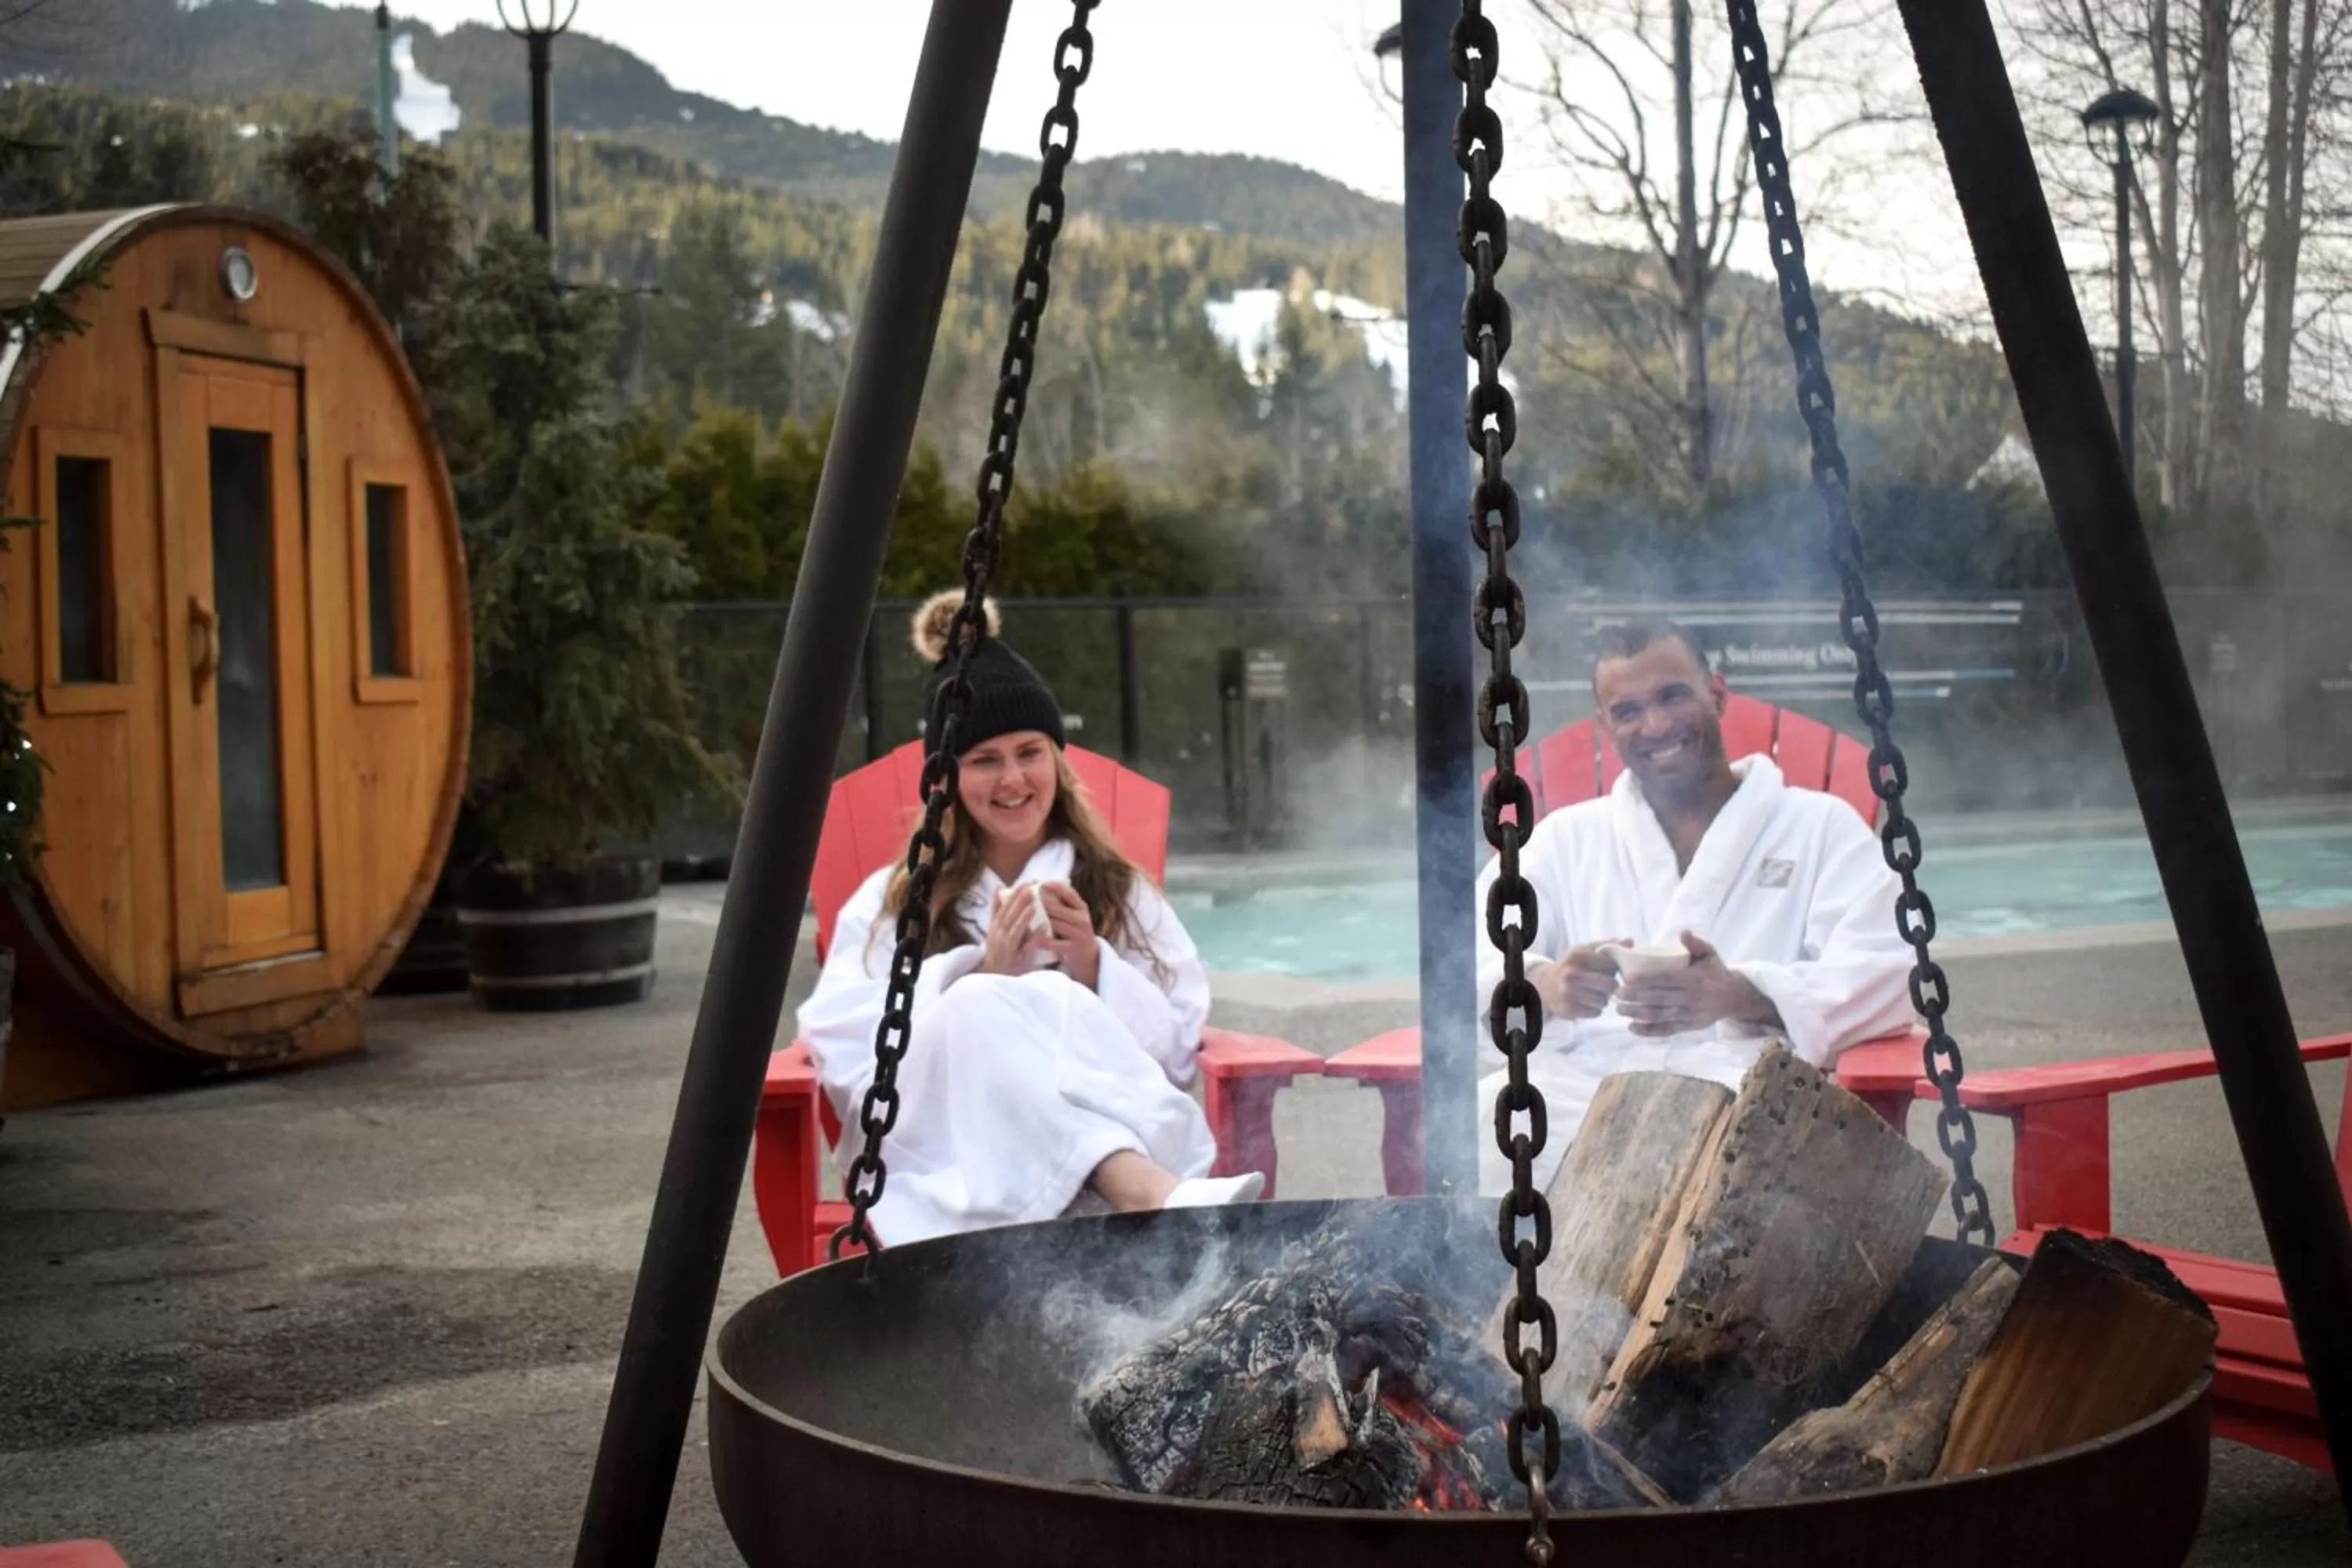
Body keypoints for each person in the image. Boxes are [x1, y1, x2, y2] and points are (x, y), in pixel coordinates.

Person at [796, 593, 1265, 1245]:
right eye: (985, 760)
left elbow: (1179, 1046)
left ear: (1058, 761)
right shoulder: (895, 902)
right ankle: (1147, 1191)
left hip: (1113, 1122)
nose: (1013, 778)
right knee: (985, 998)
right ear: (948, 779)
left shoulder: (1115, 890)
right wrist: (975, 974)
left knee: (1030, 989)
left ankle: (1115, 1173)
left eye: (1030, 752)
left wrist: (1095, 967)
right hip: (953, 1156)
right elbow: (844, 1045)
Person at [1474, 621, 1914, 1194]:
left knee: (1735, 1165)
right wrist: (1544, 984)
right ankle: (1513, 1284)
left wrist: (1739, 994)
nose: (1654, 726)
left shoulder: (1818, 828)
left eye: (1672, 695)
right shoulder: (1564, 840)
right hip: (1586, 1083)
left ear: (1718, 694)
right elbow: (1469, 959)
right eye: (1627, 711)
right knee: (1491, 1119)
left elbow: (1884, 970)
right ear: (1607, 727)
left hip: (1742, 1088)